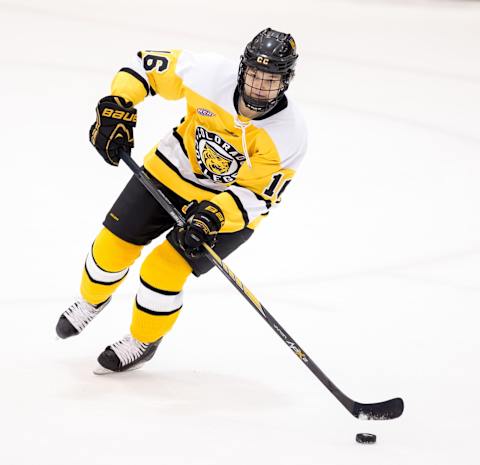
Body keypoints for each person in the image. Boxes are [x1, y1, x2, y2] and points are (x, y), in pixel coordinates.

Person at [55, 28, 308, 374]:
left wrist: (213, 217)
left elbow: (257, 197)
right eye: (253, 75)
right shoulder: (206, 73)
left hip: (223, 207)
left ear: (286, 82)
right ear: (241, 69)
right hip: (170, 170)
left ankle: (143, 341)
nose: (258, 87)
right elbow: (145, 67)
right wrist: (119, 103)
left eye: (270, 80)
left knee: (162, 270)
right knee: (110, 249)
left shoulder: (288, 135)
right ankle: (92, 300)